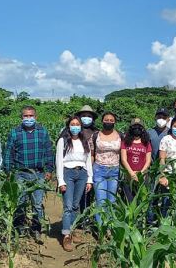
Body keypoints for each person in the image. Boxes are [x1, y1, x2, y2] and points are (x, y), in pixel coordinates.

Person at [4, 106, 54, 244]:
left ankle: (37, 230)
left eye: (31, 116)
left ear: (36, 117)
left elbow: (48, 152)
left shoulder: (42, 132)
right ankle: (18, 230)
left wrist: (49, 169)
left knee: (37, 204)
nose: (28, 118)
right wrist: (8, 172)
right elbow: (8, 154)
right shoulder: (15, 133)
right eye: (25, 116)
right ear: (21, 117)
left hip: (38, 173)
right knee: (19, 202)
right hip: (20, 174)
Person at [56, 116, 93, 252]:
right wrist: (60, 180)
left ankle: (72, 230)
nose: (75, 126)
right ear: (68, 126)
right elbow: (59, 161)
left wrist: (89, 179)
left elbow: (88, 160)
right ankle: (66, 235)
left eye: (78, 124)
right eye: (73, 124)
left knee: (76, 205)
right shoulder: (63, 141)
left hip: (82, 173)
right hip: (68, 173)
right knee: (68, 205)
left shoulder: (85, 141)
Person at [91, 112, 123, 226]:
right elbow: (92, 154)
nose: (108, 122)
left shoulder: (120, 135)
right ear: (102, 121)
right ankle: (102, 228)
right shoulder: (95, 136)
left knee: (111, 201)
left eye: (111, 120)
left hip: (114, 171)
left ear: (114, 122)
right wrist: (90, 172)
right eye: (106, 120)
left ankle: (110, 227)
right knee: (101, 201)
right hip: (99, 170)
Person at [158, 117, 176, 217]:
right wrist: (163, 176)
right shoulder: (166, 139)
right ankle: (166, 226)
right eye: (175, 126)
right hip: (169, 174)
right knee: (168, 202)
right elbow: (162, 159)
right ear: (171, 127)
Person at [74, 105, 100, 218]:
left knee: (86, 195)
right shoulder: (70, 131)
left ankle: (85, 219)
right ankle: (72, 219)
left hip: (90, 168)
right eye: (83, 116)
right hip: (72, 168)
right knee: (72, 195)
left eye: (89, 116)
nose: (86, 118)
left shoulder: (96, 133)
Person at [121, 118, 152, 203]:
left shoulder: (146, 143)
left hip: (142, 177)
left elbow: (148, 161)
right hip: (129, 177)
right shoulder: (125, 142)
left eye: (139, 127)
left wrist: (140, 174)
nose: (137, 128)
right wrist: (132, 174)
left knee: (142, 203)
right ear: (131, 128)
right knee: (130, 202)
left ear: (143, 129)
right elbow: (124, 160)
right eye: (134, 126)